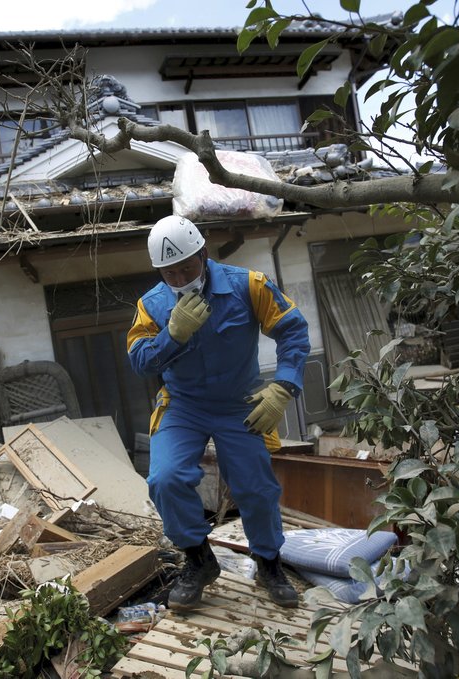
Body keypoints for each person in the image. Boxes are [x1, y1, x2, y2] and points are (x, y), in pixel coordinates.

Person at [126, 215, 310, 609]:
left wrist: (283, 386)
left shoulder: (248, 285)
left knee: (256, 488)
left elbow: (292, 328)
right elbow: (140, 362)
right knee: (165, 479)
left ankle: (268, 563)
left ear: (203, 254)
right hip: (183, 404)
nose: (179, 278)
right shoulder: (152, 305)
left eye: (186, 268)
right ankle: (198, 559)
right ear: (158, 271)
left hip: (238, 402)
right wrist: (171, 335)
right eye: (169, 273)